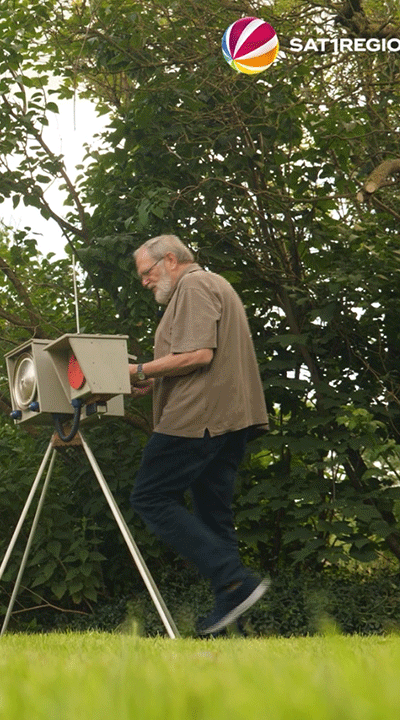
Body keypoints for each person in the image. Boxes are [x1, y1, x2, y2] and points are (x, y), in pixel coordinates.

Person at [127, 234, 270, 635]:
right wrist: (154, 381)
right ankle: (232, 622)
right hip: (230, 417)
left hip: (198, 417)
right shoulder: (215, 285)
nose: (144, 282)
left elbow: (199, 355)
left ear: (170, 260)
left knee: (150, 496)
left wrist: (137, 371)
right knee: (213, 515)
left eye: (147, 273)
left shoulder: (193, 285)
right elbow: (202, 356)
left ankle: (235, 580)